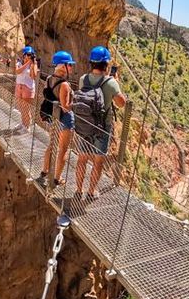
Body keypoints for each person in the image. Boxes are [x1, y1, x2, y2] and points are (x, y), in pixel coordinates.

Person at [73, 46, 126, 200]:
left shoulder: (84, 79)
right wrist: (116, 82)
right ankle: (91, 192)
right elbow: (121, 103)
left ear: (92, 63)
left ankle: (78, 190)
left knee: (82, 158)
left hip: (84, 125)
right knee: (98, 160)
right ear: (106, 64)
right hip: (103, 127)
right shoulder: (111, 83)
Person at [39, 51, 75, 187]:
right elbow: (66, 107)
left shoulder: (49, 79)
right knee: (63, 149)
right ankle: (57, 178)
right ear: (63, 66)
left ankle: (44, 170)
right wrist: (76, 102)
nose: (71, 67)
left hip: (53, 118)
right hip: (64, 119)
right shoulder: (64, 84)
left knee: (52, 145)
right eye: (69, 65)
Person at [15, 46, 38, 130]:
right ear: (24, 55)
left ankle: (27, 127)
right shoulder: (19, 63)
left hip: (28, 88)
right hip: (19, 86)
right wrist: (27, 63)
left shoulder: (34, 64)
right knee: (21, 107)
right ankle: (23, 123)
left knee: (26, 108)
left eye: (30, 55)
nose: (29, 56)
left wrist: (31, 65)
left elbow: (33, 76)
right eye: (27, 54)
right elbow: (17, 71)